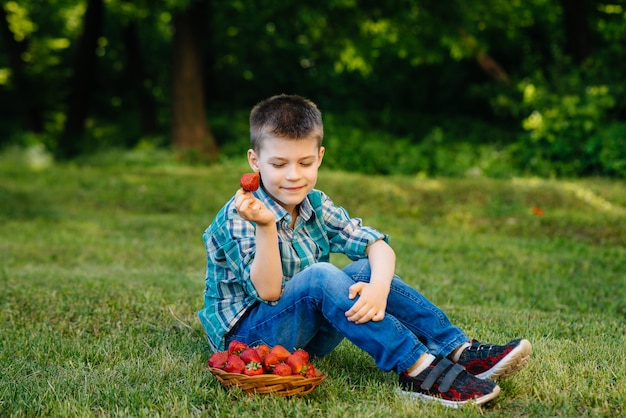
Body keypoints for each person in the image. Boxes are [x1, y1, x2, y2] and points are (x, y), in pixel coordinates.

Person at [198, 94, 532, 407]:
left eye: (305, 162)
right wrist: (266, 226)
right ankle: (418, 369)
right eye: (279, 164)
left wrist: (378, 289)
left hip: (304, 335)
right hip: (249, 343)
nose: (293, 176)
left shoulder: (314, 203)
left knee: (363, 269)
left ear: (320, 157)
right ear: (255, 162)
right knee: (320, 277)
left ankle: (457, 349)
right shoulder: (240, 214)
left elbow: (378, 245)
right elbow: (269, 291)